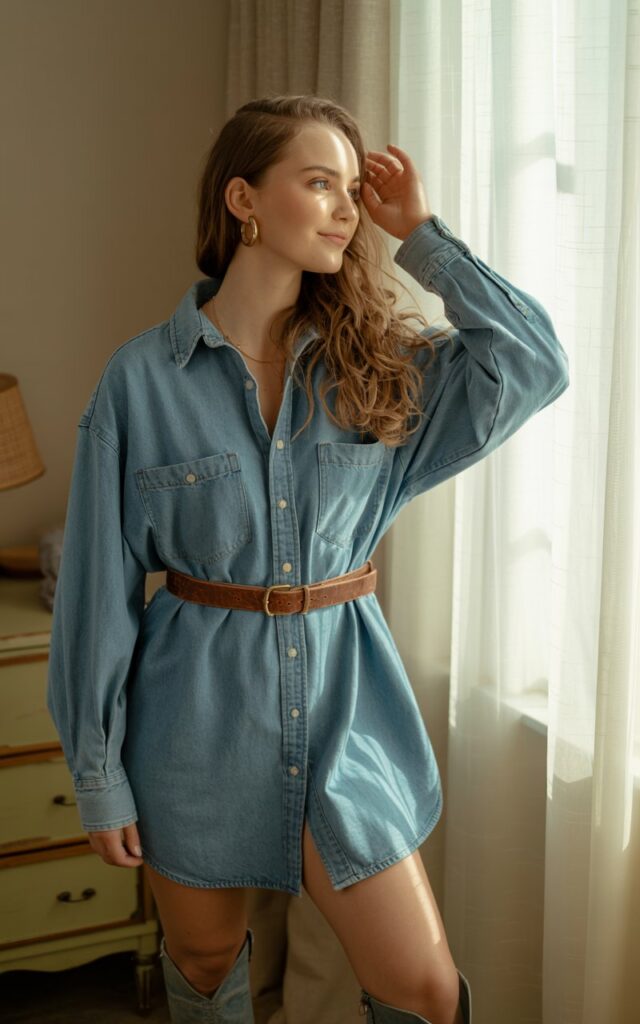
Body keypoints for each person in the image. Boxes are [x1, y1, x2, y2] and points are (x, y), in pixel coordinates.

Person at [46, 94, 569, 1024]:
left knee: (422, 988)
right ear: (244, 200)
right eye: (318, 182)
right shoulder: (139, 382)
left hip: (347, 719)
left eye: (348, 189)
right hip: (190, 726)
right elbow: (99, 596)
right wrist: (99, 775)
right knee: (204, 968)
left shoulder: (381, 367)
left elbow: (534, 362)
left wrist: (424, 236)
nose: (343, 208)